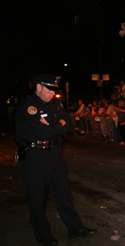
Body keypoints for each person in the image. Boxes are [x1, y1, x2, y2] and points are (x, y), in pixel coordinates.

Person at [15, 74, 96, 246]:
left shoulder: (55, 104)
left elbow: (69, 124)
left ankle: (76, 228)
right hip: (34, 157)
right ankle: (42, 235)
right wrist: (57, 124)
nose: (53, 93)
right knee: (37, 198)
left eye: (54, 90)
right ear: (39, 87)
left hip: (55, 155)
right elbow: (44, 133)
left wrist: (53, 125)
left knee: (64, 194)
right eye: (50, 90)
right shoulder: (29, 106)